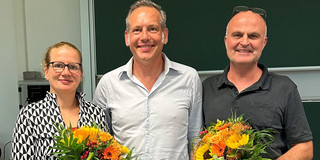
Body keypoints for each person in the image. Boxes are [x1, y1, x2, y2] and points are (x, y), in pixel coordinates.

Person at [93, 0, 203, 159]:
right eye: (137, 30)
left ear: (164, 35)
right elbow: (99, 145)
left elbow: (195, 139)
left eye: (152, 29)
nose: (144, 37)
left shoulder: (189, 78)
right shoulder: (108, 84)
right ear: (127, 37)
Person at [202, 6, 313, 159]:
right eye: (237, 35)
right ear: (226, 41)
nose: (244, 42)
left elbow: (305, 148)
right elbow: (195, 142)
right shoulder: (206, 88)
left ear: (264, 42)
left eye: (253, 36)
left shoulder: (284, 88)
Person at [11, 42, 108, 159]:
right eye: (58, 65)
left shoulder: (96, 113)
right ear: (46, 71)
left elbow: (106, 154)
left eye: (73, 67)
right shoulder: (30, 115)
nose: (66, 72)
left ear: (81, 73)